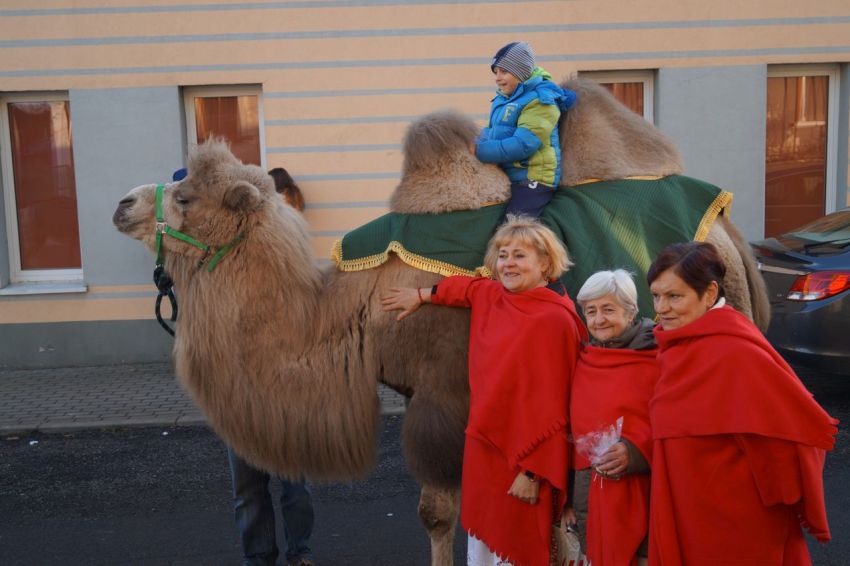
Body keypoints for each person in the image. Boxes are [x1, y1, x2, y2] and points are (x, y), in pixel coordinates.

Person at [381, 215, 586, 566]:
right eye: (502, 255)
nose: (507, 263)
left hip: (525, 458)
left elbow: (557, 407)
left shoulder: (554, 320)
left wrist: (533, 472)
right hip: (485, 448)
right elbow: (466, 289)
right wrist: (421, 295)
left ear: (545, 263)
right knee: (485, 549)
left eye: (519, 255)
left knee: (520, 547)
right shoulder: (492, 295)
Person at [646, 241, 837, 565]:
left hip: (732, 523)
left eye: (674, 296)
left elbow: (798, 432)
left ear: (710, 293)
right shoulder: (679, 343)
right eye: (656, 295)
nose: (661, 308)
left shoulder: (737, 352)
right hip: (687, 506)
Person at [226, 168, 314, 566]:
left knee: (296, 488)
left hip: (287, 398)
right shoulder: (225, 279)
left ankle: (300, 553)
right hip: (239, 399)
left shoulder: (296, 276)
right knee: (248, 489)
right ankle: (258, 557)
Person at [569, 270, 658, 566]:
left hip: (644, 496)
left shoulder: (658, 355)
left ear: (630, 311)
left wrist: (636, 452)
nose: (599, 320)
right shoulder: (584, 359)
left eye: (608, 309)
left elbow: (677, 422)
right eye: (591, 311)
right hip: (590, 497)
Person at [476, 41, 576, 219]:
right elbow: (491, 132)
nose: (497, 78)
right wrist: (471, 141)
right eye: (496, 72)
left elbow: (522, 145)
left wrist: (479, 151)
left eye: (504, 71)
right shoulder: (503, 99)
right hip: (510, 174)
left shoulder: (540, 100)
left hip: (533, 179)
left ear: (521, 72)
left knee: (513, 225)